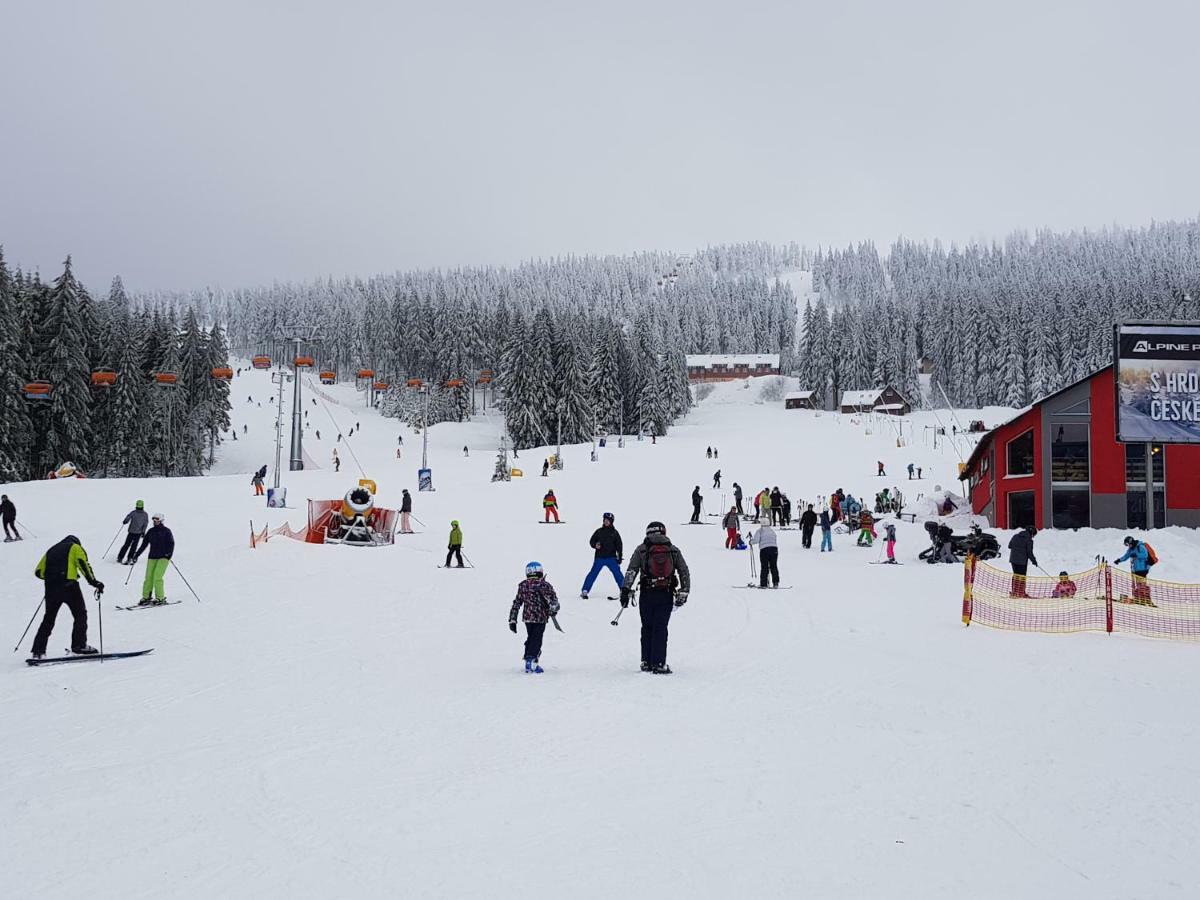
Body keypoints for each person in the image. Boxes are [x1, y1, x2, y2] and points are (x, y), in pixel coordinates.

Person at [621, 522, 690, 674]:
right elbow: (683, 570)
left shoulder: (642, 549)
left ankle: (646, 661)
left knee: (647, 627)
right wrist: (684, 591)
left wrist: (625, 590)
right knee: (661, 627)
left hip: (647, 593)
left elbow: (632, 570)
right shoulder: (672, 550)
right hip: (665, 592)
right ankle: (659, 663)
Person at [30, 535, 104, 658]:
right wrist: (94, 582)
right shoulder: (75, 547)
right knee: (80, 615)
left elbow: (38, 571)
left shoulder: (52, 549)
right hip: (69, 586)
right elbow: (83, 564)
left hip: (51, 587)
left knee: (48, 619)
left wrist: (52, 578)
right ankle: (79, 646)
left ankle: (38, 651)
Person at [509, 561, 560, 674]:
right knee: (536, 639)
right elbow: (554, 602)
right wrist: (553, 609)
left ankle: (528, 659)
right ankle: (532, 661)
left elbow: (517, 603)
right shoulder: (545, 585)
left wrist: (513, 619)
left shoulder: (523, 585)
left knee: (531, 637)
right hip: (540, 617)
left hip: (528, 617)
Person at [132, 513, 174, 606]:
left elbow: (171, 543)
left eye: (157, 520)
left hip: (164, 557)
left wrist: (169, 554)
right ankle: (146, 597)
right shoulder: (151, 531)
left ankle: (160, 597)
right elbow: (144, 544)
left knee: (157, 577)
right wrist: (136, 555)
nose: (155, 522)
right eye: (154, 520)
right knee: (148, 577)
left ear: (161, 521)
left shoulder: (166, 531)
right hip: (152, 557)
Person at [581, 512, 623, 598]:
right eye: (605, 520)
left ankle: (624, 590)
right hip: (599, 558)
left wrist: (619, 557)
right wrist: (595, 545)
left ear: (611, 522)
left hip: (611, 558)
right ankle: (585, 590)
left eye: (608, 520)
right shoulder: (599, 531)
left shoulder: (615, 533)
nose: (606, 522)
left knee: (617, 574)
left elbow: (619, 545)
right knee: (593, 574)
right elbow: (591, 541)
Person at [1116, 535, 1155, 604]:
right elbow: (1126, 556)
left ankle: (1146, 599)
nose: (1128, 546)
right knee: (1138, 584)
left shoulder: (1140, 546)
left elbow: (1145, 555)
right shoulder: (1131, 549)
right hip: (1135, 570)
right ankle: (1140, 598)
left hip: (1142, 569)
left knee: (1142, 584)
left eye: (1127, 544)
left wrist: (1137, 555)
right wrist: (1119, 560)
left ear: (1131, 542)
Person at [1007, 525, 1037, 598]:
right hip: (1022, 562)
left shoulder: (1015, 536)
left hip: (1013, 560)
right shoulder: (1029, 540)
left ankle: (1014, 592)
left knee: (1016, 575)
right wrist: (1034, 561)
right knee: (1022, 577)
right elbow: (1029, 553)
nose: (1033, 537)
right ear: (1032, 533)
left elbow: (1009, 546)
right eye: (1034, 535)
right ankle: (1021, 593)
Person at [117, 500, 148, 564]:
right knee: (133, 546)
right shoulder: (145, 514)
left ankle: (120, 557)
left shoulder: (134, 512)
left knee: (126, 545)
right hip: (138, 533)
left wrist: (125, 521)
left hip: (132, 532)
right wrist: (143, 532)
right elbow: (145, 524)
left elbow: (128, 516)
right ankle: (129, 558)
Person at [749, 522, 780, 588]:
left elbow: (756, 540)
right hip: (774, 549)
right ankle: (776, 583)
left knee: (764, 567)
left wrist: (751, 542)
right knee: (774, 566)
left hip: (764, 550)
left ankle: (764, 584)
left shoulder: (760, 530)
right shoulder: (772, 531)